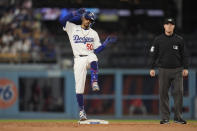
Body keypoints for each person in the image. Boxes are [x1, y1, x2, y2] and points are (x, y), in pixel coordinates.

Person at [59, 8, 117, 121]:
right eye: (88, 19)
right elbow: (62, 21)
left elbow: (96, 50)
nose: (89, 22)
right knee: (79, 89)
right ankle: (82, 112)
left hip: (89, 55)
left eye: (91, 21)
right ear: (83, 18)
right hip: (78, 59)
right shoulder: (73, 28)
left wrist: (105, 44)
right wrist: (74, 13)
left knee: (93, 58)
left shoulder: (93, 33)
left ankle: (94, 82)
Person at [149, 17, 189, 124]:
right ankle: (165, 118)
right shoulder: (158, 39)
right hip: (163, 70)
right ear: (164, 26)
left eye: (171, 24)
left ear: (174, 26)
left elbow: (184, 55)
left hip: (177, 70)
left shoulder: (179, 39)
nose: (169, 26)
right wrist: (151, 67)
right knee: (163, 94)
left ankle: (178, 117)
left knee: (178, 93)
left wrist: (186, 67)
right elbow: (153, 54)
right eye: (167, 24)